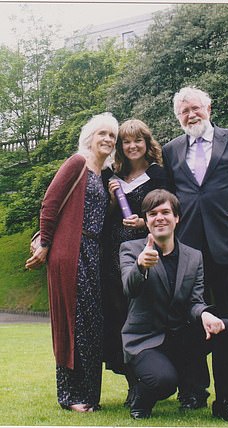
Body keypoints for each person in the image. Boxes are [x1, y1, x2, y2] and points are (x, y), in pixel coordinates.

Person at [162, 87, 228, 410]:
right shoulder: (171, 150)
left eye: (195, 108)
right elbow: (171, 196)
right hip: (189, 250)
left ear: (209, 108)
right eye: (184, 112)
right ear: (178, 118)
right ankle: (193, 391)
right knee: (191, 321)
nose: (191, 115)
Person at [119, 189, 228, 422]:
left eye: (166, 212)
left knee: (226, 327)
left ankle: (225, 403)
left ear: (176, 218)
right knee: (163, 382)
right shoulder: (131, 250)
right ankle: (141, 397)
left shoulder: (194, 256)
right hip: (145, 340)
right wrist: (141, 266)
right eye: (153, 213)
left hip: (180, 338)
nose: (160, 218)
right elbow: (130, 288)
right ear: (146, 221)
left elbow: (194, 301)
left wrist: (205, 315)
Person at [25, 112, 119, 412]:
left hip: (93, 253)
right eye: (102, 133)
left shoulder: (103, 174)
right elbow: (50, 203)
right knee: (74, 324)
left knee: (92, 325)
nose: (107, 139)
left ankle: (89, 396)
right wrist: (45, 241)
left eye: (112, 136)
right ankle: (70, 396)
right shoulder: (76, 163)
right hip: (71, 253)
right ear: (89, 136)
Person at [103, 119, 169, 407]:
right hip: (114, 258)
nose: (132, 146)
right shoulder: (114, 176)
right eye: (126, 142)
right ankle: (133, 383)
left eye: (137, 141)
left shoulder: (158, 176)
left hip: (147, 257)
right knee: (120, 319)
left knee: (146, 317)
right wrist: (113, 203)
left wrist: (144, 222)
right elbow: (104, 218)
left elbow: (169, 213)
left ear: (147, 143)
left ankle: (154, 378)